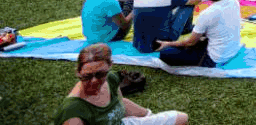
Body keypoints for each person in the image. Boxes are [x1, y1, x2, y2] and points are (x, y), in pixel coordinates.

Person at [53, 42, 188, 125]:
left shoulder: (111, 79)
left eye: (100, 74)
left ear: (110, 66)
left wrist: (149, 116)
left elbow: (120, 102)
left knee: (181, 118)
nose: (94, 80)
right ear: (78, 72)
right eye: (87, 76)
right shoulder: (72, 110)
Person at [158, 0, 242, 68]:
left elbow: (190, 42)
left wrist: (167, 44)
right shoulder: (233, 0)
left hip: (215, 58)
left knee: (165, 53)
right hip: (233, 50)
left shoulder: (207, 14)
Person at [131, 0, 202, 54]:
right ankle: (187, 28)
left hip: (139, 45)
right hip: (162, 43)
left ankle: (186, 28)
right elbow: (196, 0)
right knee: (188, 4)